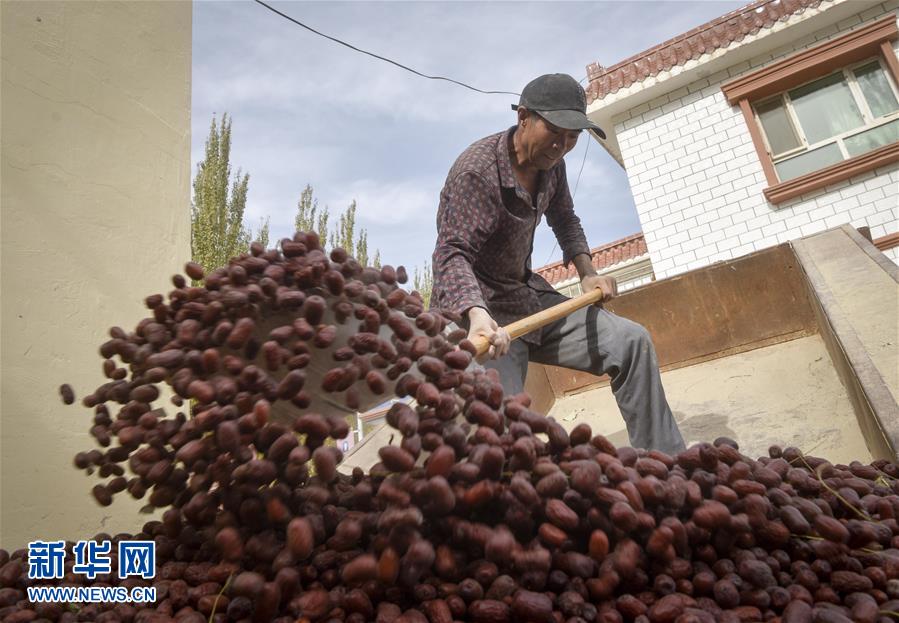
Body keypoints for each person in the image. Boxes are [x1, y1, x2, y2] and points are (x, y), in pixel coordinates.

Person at [430, 73, 685, 455]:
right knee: (505, 429)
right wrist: (477, 315)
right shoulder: (476, 171)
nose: (562, 146)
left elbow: (564, 218)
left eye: (573, 137)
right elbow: (451, 253)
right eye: (555, 131)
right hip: (480, 321)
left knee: (631, 342)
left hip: (526, 298)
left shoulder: (552, 164)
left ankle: (669, 463)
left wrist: (588, 274)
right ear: (524, 118)